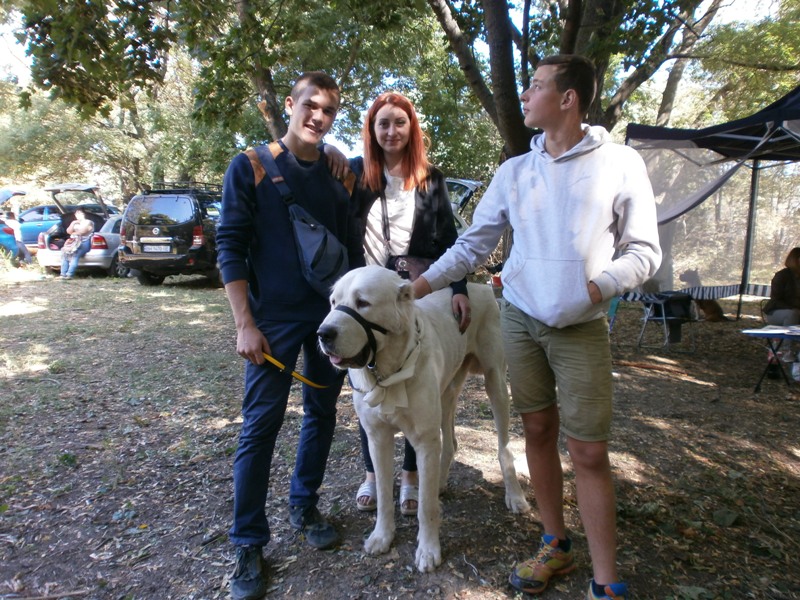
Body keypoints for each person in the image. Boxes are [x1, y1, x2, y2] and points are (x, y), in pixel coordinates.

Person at [411, 55, 661, 600]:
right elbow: (474, 244)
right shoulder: (514, 171)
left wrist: (597, 287)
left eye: (536, 86)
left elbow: (644, 251)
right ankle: (555, 544)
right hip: (520, 320)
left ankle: (606, 581)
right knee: (538, 433)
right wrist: (422, 284)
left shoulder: (620, 163)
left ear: (568, 98)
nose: (524, 95)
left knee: (589, 451)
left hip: (581, 326)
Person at [216, 71, 365, 600]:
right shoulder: (250, 166)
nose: (318, 117)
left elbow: (352, 249)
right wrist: (244, 324)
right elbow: (230, 246)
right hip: (271, 322)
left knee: (322, 413)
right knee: (260, 426)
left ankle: (305, 505)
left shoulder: (341, 174)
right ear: (289, 104)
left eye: (328, 110)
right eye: (310, 106)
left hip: (330, 319)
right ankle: (248, 542)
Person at [334, 92, 470, 516]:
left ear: (412, 129)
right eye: (383, 123)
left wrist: (460, 288)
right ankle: (373, 475)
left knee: (415, 386)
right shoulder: (356, 174)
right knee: (366, 382)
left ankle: (411, 476)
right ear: (372, 130)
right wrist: (329, 152)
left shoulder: (430, 179)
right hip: (364, 302)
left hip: (412, 295)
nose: (391, 131)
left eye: (399, 122)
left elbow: (450, 240)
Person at [763, 247, 800, 361]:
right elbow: (776, 300)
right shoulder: (782, 276)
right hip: (777, 312)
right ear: (795, 260)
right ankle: (786, 349)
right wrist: (794, 308)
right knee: (793, 314)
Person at [60, 208, 94, 278]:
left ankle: (69, 274)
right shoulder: (74, 222)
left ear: (84, 214)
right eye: (76, 214)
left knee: (75, 255)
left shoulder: (88, 222)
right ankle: (63, 274)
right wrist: (73, 223)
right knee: (65, 255)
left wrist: (73, 233)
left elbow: (83, 232)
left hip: (84, 242)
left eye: (80, 213)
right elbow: (68, 231)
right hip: (73, 242)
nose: (78, 215)